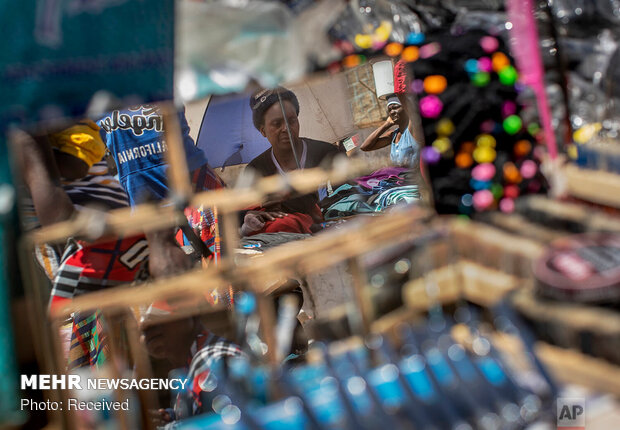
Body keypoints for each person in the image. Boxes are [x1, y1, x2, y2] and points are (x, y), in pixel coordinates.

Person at [97, 105, 225, 276]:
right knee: (169, 283)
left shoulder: (158, 82)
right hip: (143, 200)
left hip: (193, 190)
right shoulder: (97, 98)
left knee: (217, 281)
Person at [241, 87, 344, 236]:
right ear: (263, 131)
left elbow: (344, 200)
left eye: (292, 121)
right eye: (277, 124)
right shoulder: (256, 170)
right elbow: (255, 217)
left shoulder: (326, 153)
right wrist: (254, 218)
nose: (287, 129)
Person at [360, 93, 420, 168]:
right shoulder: (393, 135)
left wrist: (399, 91)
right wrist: (386, 124)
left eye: (395, 107)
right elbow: (365, 147)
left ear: (405, 108)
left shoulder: (412, 130)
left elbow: (412, 111)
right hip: (399, 178)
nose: (392, 112)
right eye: (389, 110)